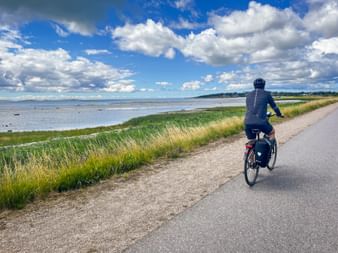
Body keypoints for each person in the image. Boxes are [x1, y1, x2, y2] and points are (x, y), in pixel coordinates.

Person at [244, 78, 283, 143]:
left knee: (252, 140)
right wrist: (279, 114)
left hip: (247, 122)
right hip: (261, 122)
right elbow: (274, 107)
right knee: (272, 132)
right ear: (264, 85)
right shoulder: (267, 94)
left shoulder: (248, 95)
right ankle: (268, 152)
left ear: (254, 85)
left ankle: (249, 151)